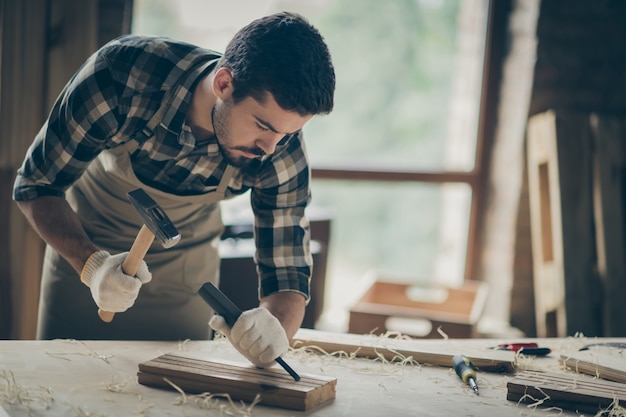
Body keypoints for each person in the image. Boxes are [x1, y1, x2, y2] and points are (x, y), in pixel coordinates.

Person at [12, 11, 335, 369]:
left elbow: (287, 270)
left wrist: (275, 330)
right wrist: (93, 266)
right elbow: (36, 184)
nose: (270, 148)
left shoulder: (279, 147)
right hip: (86, 260)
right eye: (262, 126)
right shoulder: (120, 76)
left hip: (185, 282)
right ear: (224, 84)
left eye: (285, 134)